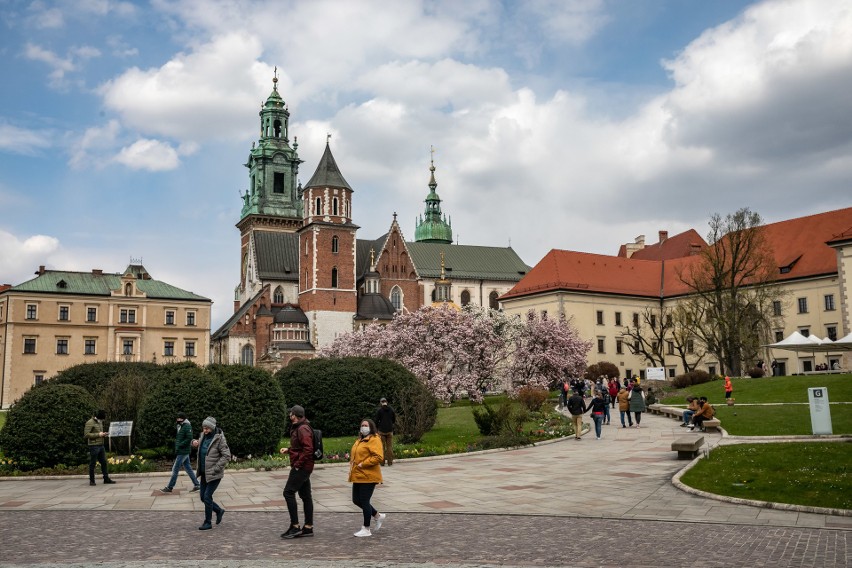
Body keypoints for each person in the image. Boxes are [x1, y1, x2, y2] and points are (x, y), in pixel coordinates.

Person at [280, 405, 315, 539]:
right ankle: (308, 527)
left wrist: (298, 465)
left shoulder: (302, 428)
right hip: (304, 466)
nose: (290, 416)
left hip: (302, 467)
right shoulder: (301, 427)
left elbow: (308, 449)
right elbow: (299, 446)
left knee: (288, 492)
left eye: (291, 414)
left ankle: (295, 526)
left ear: (295, 415)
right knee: (306, 496)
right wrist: (288, 450)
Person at [349, 418, 387, 537]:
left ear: (371, 427)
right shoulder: (360, 439)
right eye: (362, 425)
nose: (363, 427)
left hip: (369, 476)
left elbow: (378, 457)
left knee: (364, 501)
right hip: (358, 475)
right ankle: (377, 515)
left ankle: (366, 528)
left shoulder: (374, 439)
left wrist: (363, 463)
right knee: (356, 500)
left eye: (366, 425)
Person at [192, 417, 230, 530]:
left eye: (207, 428)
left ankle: (207, 522)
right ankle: (219, 510)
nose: (205, 430)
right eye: (204, 428)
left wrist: (216, 468)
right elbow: (201, 449)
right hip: (204, 473)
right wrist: (193, 443)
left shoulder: (219, 438)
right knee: (203, 497)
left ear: (212, 428)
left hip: (214, 473)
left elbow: (226, 455)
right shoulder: (203, 436)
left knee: (207, 497)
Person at [162, 412, 200, 493]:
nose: (177, 419)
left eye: (179, 418)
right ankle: (197, 485)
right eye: (177, 418)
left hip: (183, 451)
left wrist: (180, 445)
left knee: (175, 469)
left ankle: (170, 487)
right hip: (182, 450)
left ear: (183, 419)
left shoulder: (187, 426)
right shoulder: (180, 426)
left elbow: (189, 438)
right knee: (188, 468)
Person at [84, 409, 116, 486]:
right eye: (102, 418)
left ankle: (106, 478)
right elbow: (86, 435)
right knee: (93, 463)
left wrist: (104, 434)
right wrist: (98, 435)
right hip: (93, 446)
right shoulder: (90, 422)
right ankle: (92, 480)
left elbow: (99, 433)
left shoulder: (100, 422)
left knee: (104, 462)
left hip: (101, 445)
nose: (102, 420)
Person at [374, 397, 396, 467]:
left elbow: (376, 421)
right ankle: (390, 462)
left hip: (381, 431)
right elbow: (394, 419)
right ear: (387, 402)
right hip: (390, 430)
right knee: (389, 447)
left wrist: (377, 428)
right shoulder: (391, 410)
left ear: (381, 403)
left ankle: (382, 462)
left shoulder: (379, 411)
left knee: (382, 447)